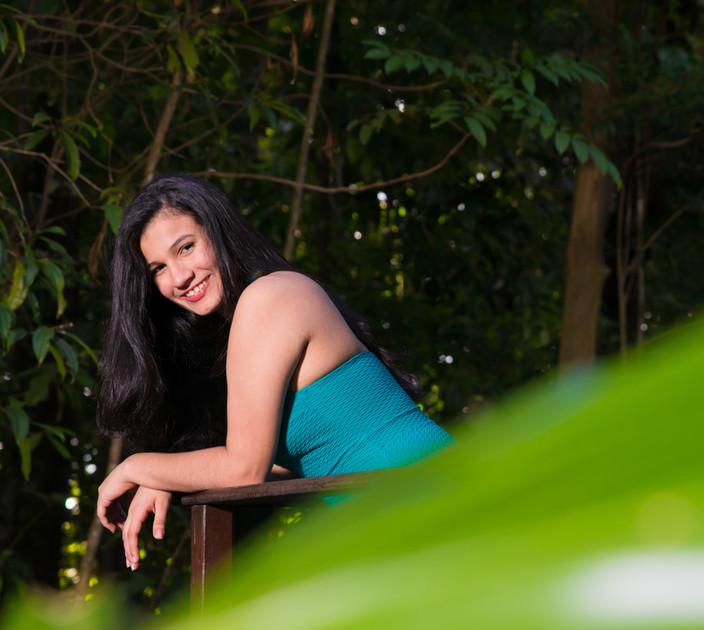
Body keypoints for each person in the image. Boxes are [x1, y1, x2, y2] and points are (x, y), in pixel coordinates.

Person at [96, 173, 453, 570]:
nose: (179, 277)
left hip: (430, 502)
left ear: (218, 232)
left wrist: (135, 466)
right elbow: (290, 461)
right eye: (158, 269)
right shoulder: (252, 313)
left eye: (186, 247)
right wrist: (164, 475)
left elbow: (244, 469)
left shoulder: (268, 298)